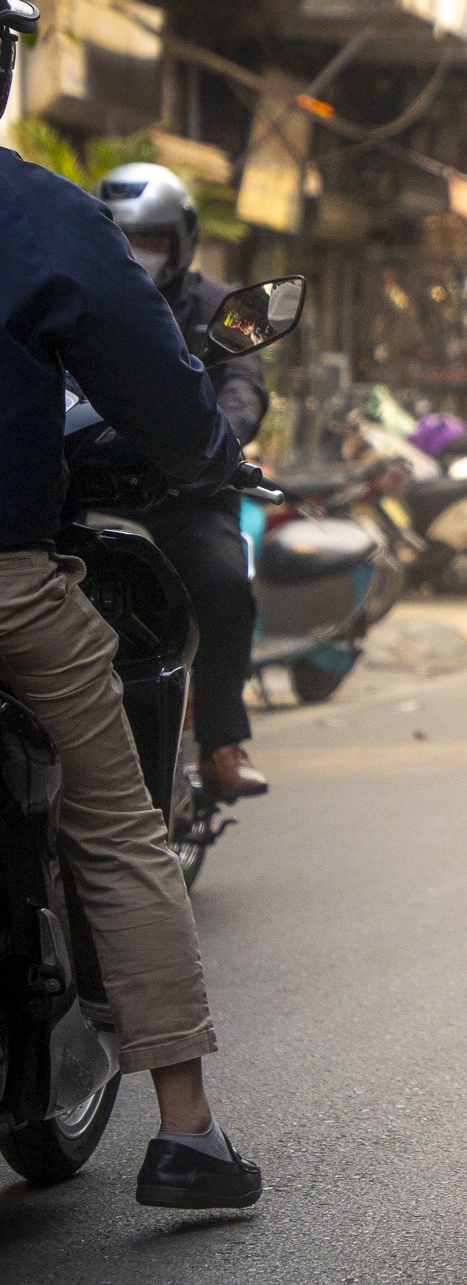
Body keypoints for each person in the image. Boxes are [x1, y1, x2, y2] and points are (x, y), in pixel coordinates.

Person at [1, 84, 262, 1209]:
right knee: (113, 825)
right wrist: (210, 452)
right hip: (11, 579)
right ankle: (187, 1133)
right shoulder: (36, 212)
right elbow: (160, 387)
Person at [95, 165, 268, 801]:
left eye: (154, 239)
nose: (139, 252)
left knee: (226, 585)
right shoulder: (77, 303)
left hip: (187, 497)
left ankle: (222, 739)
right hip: (92, 496)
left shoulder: (231, 309)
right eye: (121, 237)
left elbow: (244, 389)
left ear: (185, 238)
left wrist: (215, 440)